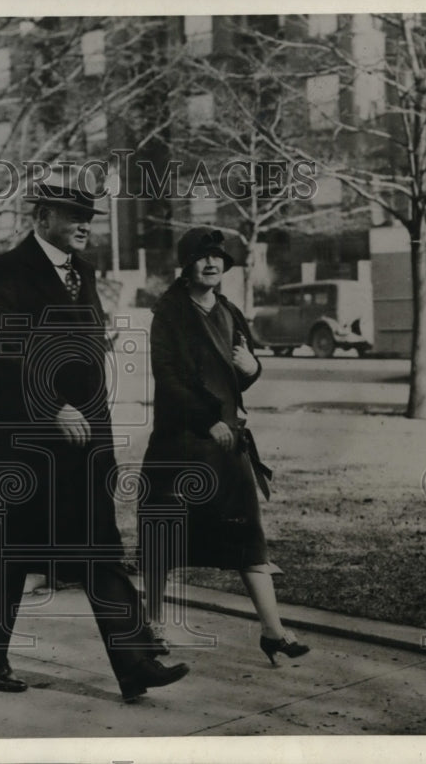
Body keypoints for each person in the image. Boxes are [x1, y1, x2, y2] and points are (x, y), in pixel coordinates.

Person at [0, 170, 189, 702]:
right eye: (74, 217)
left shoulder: (84, 274)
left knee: (101, 550)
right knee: (13, 554)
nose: (84, 227)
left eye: (88, 219)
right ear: (41, 217)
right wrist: (51, 408)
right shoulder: (4, 272)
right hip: (29, 442)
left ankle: (135, 664)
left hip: (84, 444)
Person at [139, 226, 310, 666]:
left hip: (227, 445)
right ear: (186, 264)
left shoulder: (230, 310)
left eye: (218, 256)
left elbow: (243, 370)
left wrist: (253, 368)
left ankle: (273, 632)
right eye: (202, 257)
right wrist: (207, 419)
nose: (212, 263)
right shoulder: (169, 312)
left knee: (248, 538)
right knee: (164, 542)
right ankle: (152, 625)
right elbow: (168, 379)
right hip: (179, 446)